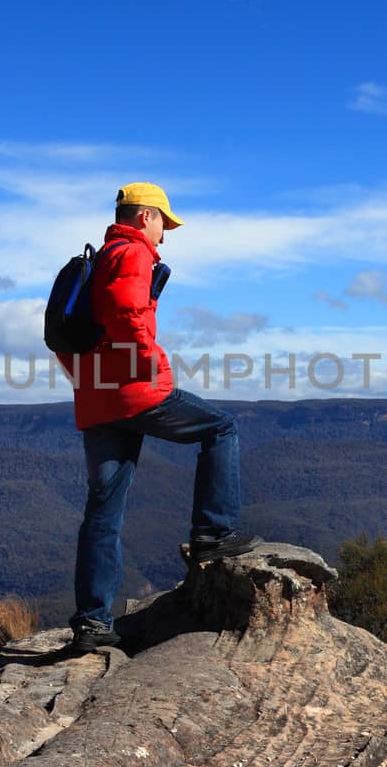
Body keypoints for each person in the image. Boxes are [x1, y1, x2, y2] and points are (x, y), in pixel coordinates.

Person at [56, 181, 262, 654]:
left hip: (97, 398)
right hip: (135, 391)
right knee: (221, 428)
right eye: (163, 224)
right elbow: (128, 311)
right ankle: (211, 532)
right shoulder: (132, 254)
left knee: (102, 513)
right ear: (145, 216)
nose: (164, 236)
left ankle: (92, 622)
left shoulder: (101, 256)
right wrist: (146, 361)